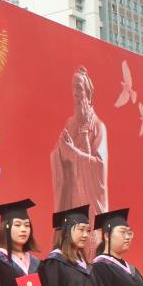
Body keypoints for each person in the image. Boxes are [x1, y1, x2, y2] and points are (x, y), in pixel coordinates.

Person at [50, 66, 108, 261]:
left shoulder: (98, 127)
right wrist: (62, 153)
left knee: (90, 249)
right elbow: (57, 155)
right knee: (70, 248)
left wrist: (74, 153)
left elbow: (99, 167)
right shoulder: (70, 124)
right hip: (71, 195)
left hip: (89, 199)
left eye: (79, 88)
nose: (75, 93)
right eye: (73, 87)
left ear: (88, 94)